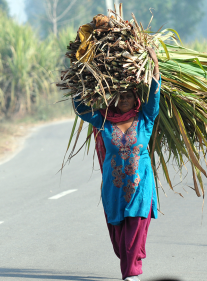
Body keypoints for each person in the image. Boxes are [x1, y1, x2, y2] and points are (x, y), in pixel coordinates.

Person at [73, 48, 161, 281]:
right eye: (119, 97)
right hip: (114, 186)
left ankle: (132, 273)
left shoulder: (145, 118)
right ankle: (131, 260)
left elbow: (154, 96)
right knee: (119, 236)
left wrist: (154, 66)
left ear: (136, 99)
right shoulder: (103, 119)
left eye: (128, 97)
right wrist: (80, 75)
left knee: (135, 224)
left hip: (140, 184)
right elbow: (81, 109)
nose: (123, 101)